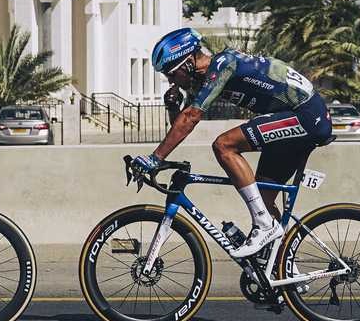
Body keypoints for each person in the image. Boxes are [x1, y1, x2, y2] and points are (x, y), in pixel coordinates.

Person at [138, 28, 332, 258]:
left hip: (306, 116)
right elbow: (181, 123)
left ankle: (264, 225)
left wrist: (154, 158)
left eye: (171, 72)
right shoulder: (204, 80)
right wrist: (172, 107)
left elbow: (190, 118)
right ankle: (282, 273)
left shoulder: (223, 64)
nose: (170, 80)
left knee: (224, 145)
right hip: (292, 117)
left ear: (188, 61)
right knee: (263, 197)